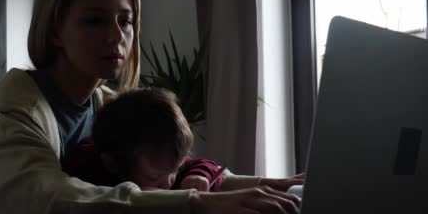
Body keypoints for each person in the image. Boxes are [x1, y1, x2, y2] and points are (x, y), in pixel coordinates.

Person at [0, 0, 302, 214]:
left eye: (125, 21)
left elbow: (170, 167)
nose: (116, 36)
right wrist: (199, 205)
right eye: (94, 20)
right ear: (54, 31)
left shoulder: (105, 103)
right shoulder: (11, 114)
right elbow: (47, 201)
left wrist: (270, 187)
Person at [64, 87, 302, 194]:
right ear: (113, 164)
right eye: (155, 177)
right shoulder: (88, 167)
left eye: (173, 171)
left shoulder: (154, 159)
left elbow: (201, 163)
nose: (168, 184)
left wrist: (195, 176)